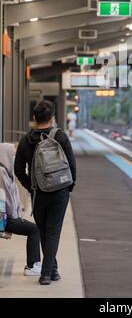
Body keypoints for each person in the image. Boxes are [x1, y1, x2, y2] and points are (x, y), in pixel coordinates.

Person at [15, 100, 76, 285]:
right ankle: (47, 274)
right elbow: (72, 166)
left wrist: (32, 186)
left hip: (38, 193)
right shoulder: (60, 136)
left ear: (34, 118)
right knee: (53, 232)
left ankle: (53, 270)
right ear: (53, 119)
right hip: (60, 191)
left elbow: (18, 169)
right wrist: (68, 187)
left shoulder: (26, 140)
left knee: (44, 231)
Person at [0, 143, 41, 276]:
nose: (15, 157)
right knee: (34, 229)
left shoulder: (6, 171)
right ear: (5, 154)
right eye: (12, 154)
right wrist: (13, 220)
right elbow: (6, 198)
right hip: (7, 218)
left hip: (8, 216)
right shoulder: (1, 173)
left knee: (34, 229)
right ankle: (32, 265)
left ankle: (33, 264)